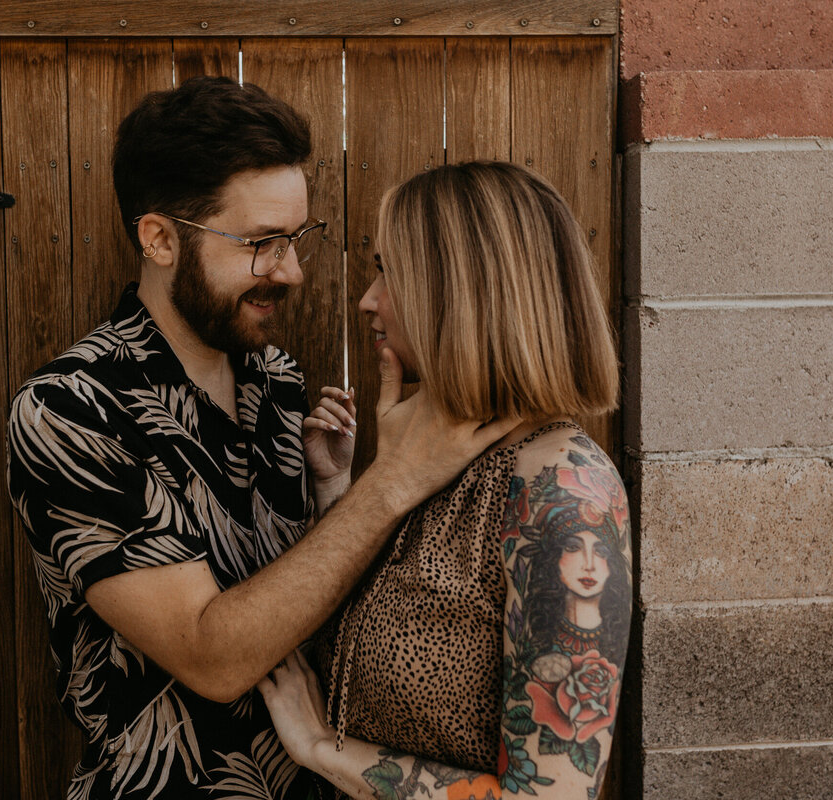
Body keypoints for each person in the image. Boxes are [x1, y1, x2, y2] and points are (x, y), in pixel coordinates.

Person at [6, 77, 513, 800]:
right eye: (261, 243)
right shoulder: (71, 411)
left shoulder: (275, 380)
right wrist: (392, 481)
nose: (293, 271)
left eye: (298, 239)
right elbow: (213, 658)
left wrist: (332, 491)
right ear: (159, 239)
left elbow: (309, 599)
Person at [257, 161, 632, 800]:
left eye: (390, 272)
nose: (368, 299)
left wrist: (324, 749)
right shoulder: (442, 455)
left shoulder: (564, 496)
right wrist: (340, 491)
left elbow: (548, 797)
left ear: (465, 292)